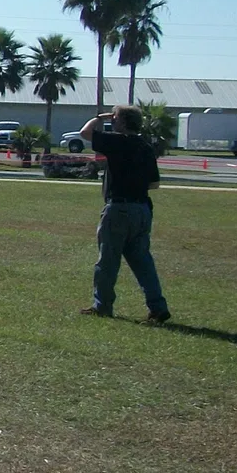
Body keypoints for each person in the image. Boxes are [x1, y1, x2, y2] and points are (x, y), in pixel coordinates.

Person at [80, 104, 170, 323]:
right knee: (143, 262)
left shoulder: (117, 141)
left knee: (108, 261)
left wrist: (100, 117)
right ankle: (157, 306)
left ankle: (102, 306)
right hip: (142, 210)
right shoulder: (145, 146)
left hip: (119, 208)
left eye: (115, 118)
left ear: (121, 121)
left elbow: (85, 133)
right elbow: (154, 184)